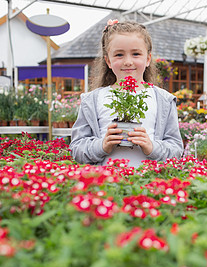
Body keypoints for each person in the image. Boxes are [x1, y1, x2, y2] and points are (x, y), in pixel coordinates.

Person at [70, 20, 183, 168]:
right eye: (119, 55)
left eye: (136, 54)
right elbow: (76, 149)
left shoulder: (164, 100)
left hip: (149, 184)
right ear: (108, 61)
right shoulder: (92, 100)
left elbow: (176, 149)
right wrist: (102, 145)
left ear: (148, 58)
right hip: (106, 184)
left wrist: (152, 147)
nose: (128, 61)